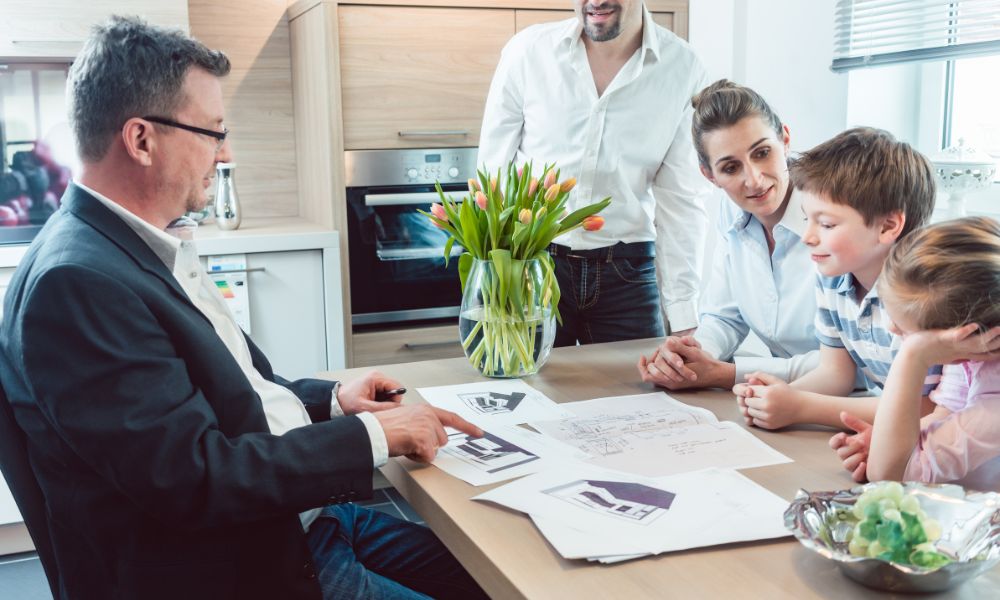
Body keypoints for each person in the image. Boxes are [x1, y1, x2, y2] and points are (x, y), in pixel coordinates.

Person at [0, 17, 487, 600]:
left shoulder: (121, 246)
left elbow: (236, 392)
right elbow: (194, 478)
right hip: (244, 564)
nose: (225, 152)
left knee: (489, 574)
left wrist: (331, 401)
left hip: (301, 521)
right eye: (213, 132)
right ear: (141, 139)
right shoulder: (77, 283)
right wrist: (373, 436)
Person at [477, 0, 713, 346]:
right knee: (525, 393)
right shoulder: (528, 51)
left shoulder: (684, 68)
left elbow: (682, 199)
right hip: (532, 265)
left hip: (628, 273)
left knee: (638, 397)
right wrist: (494, 276)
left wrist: (682, 314)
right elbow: (491, 174)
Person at [732, 127, 940, 430]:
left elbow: (924, 408)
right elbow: (836, 373)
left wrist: (801, 407)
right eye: (807, 218)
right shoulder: (834, 279)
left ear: (888, 226)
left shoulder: (926, 296)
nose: (807, 237)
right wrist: (776, 396)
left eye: (827, 224)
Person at [637, 80, 819, 391]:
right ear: (709, 175)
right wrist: (688, 358)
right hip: (780, 401)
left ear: (785, 140)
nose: (754, 180)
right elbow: (725, 316)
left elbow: (850, 364)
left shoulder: (831, 214)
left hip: (855, 403)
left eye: (762, 153)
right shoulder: (731, 212)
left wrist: (725, 373)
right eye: (731, 168)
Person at [829, 218, 1000, 483]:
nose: (892, 328)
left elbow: (889, 476)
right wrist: (887, 440)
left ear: (966, 335)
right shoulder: (977, 358)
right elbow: (946, 413)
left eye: (908, 332)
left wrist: (913, 356)